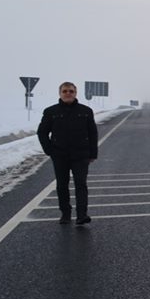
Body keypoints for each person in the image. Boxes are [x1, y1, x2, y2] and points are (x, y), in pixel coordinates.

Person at [37, 81, 98, 226]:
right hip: (60, 155)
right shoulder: (51, 112)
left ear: (76, 93)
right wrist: (50, 150)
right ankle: (65, 213)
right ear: (60, 93)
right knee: (62, 185)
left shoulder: (86, 111)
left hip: (81, 155)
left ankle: (82, 215)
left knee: (81, 184)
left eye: (71, 91)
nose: (68, 93)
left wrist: (93, 153)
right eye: (65, 91)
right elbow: (42, 132)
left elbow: (93, 133)